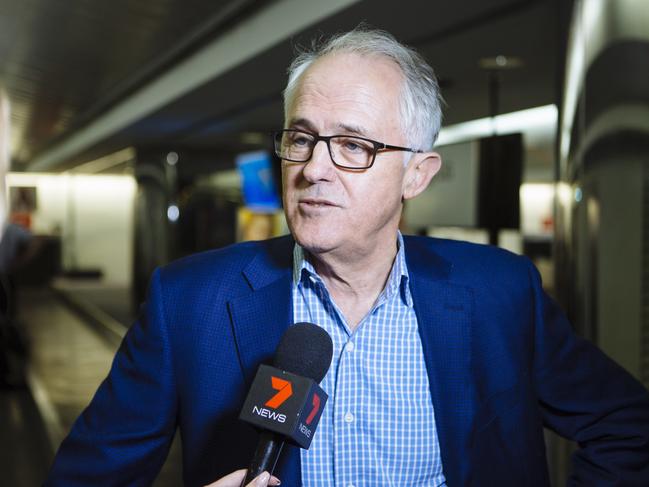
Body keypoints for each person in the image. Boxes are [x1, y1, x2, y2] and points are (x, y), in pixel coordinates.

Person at [45, 28, 649, 486]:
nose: (313, 169)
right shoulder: (189, 302)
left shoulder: (500, 293)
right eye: (301, 138)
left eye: (353, 146)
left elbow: (626, 427)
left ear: (417, 174)